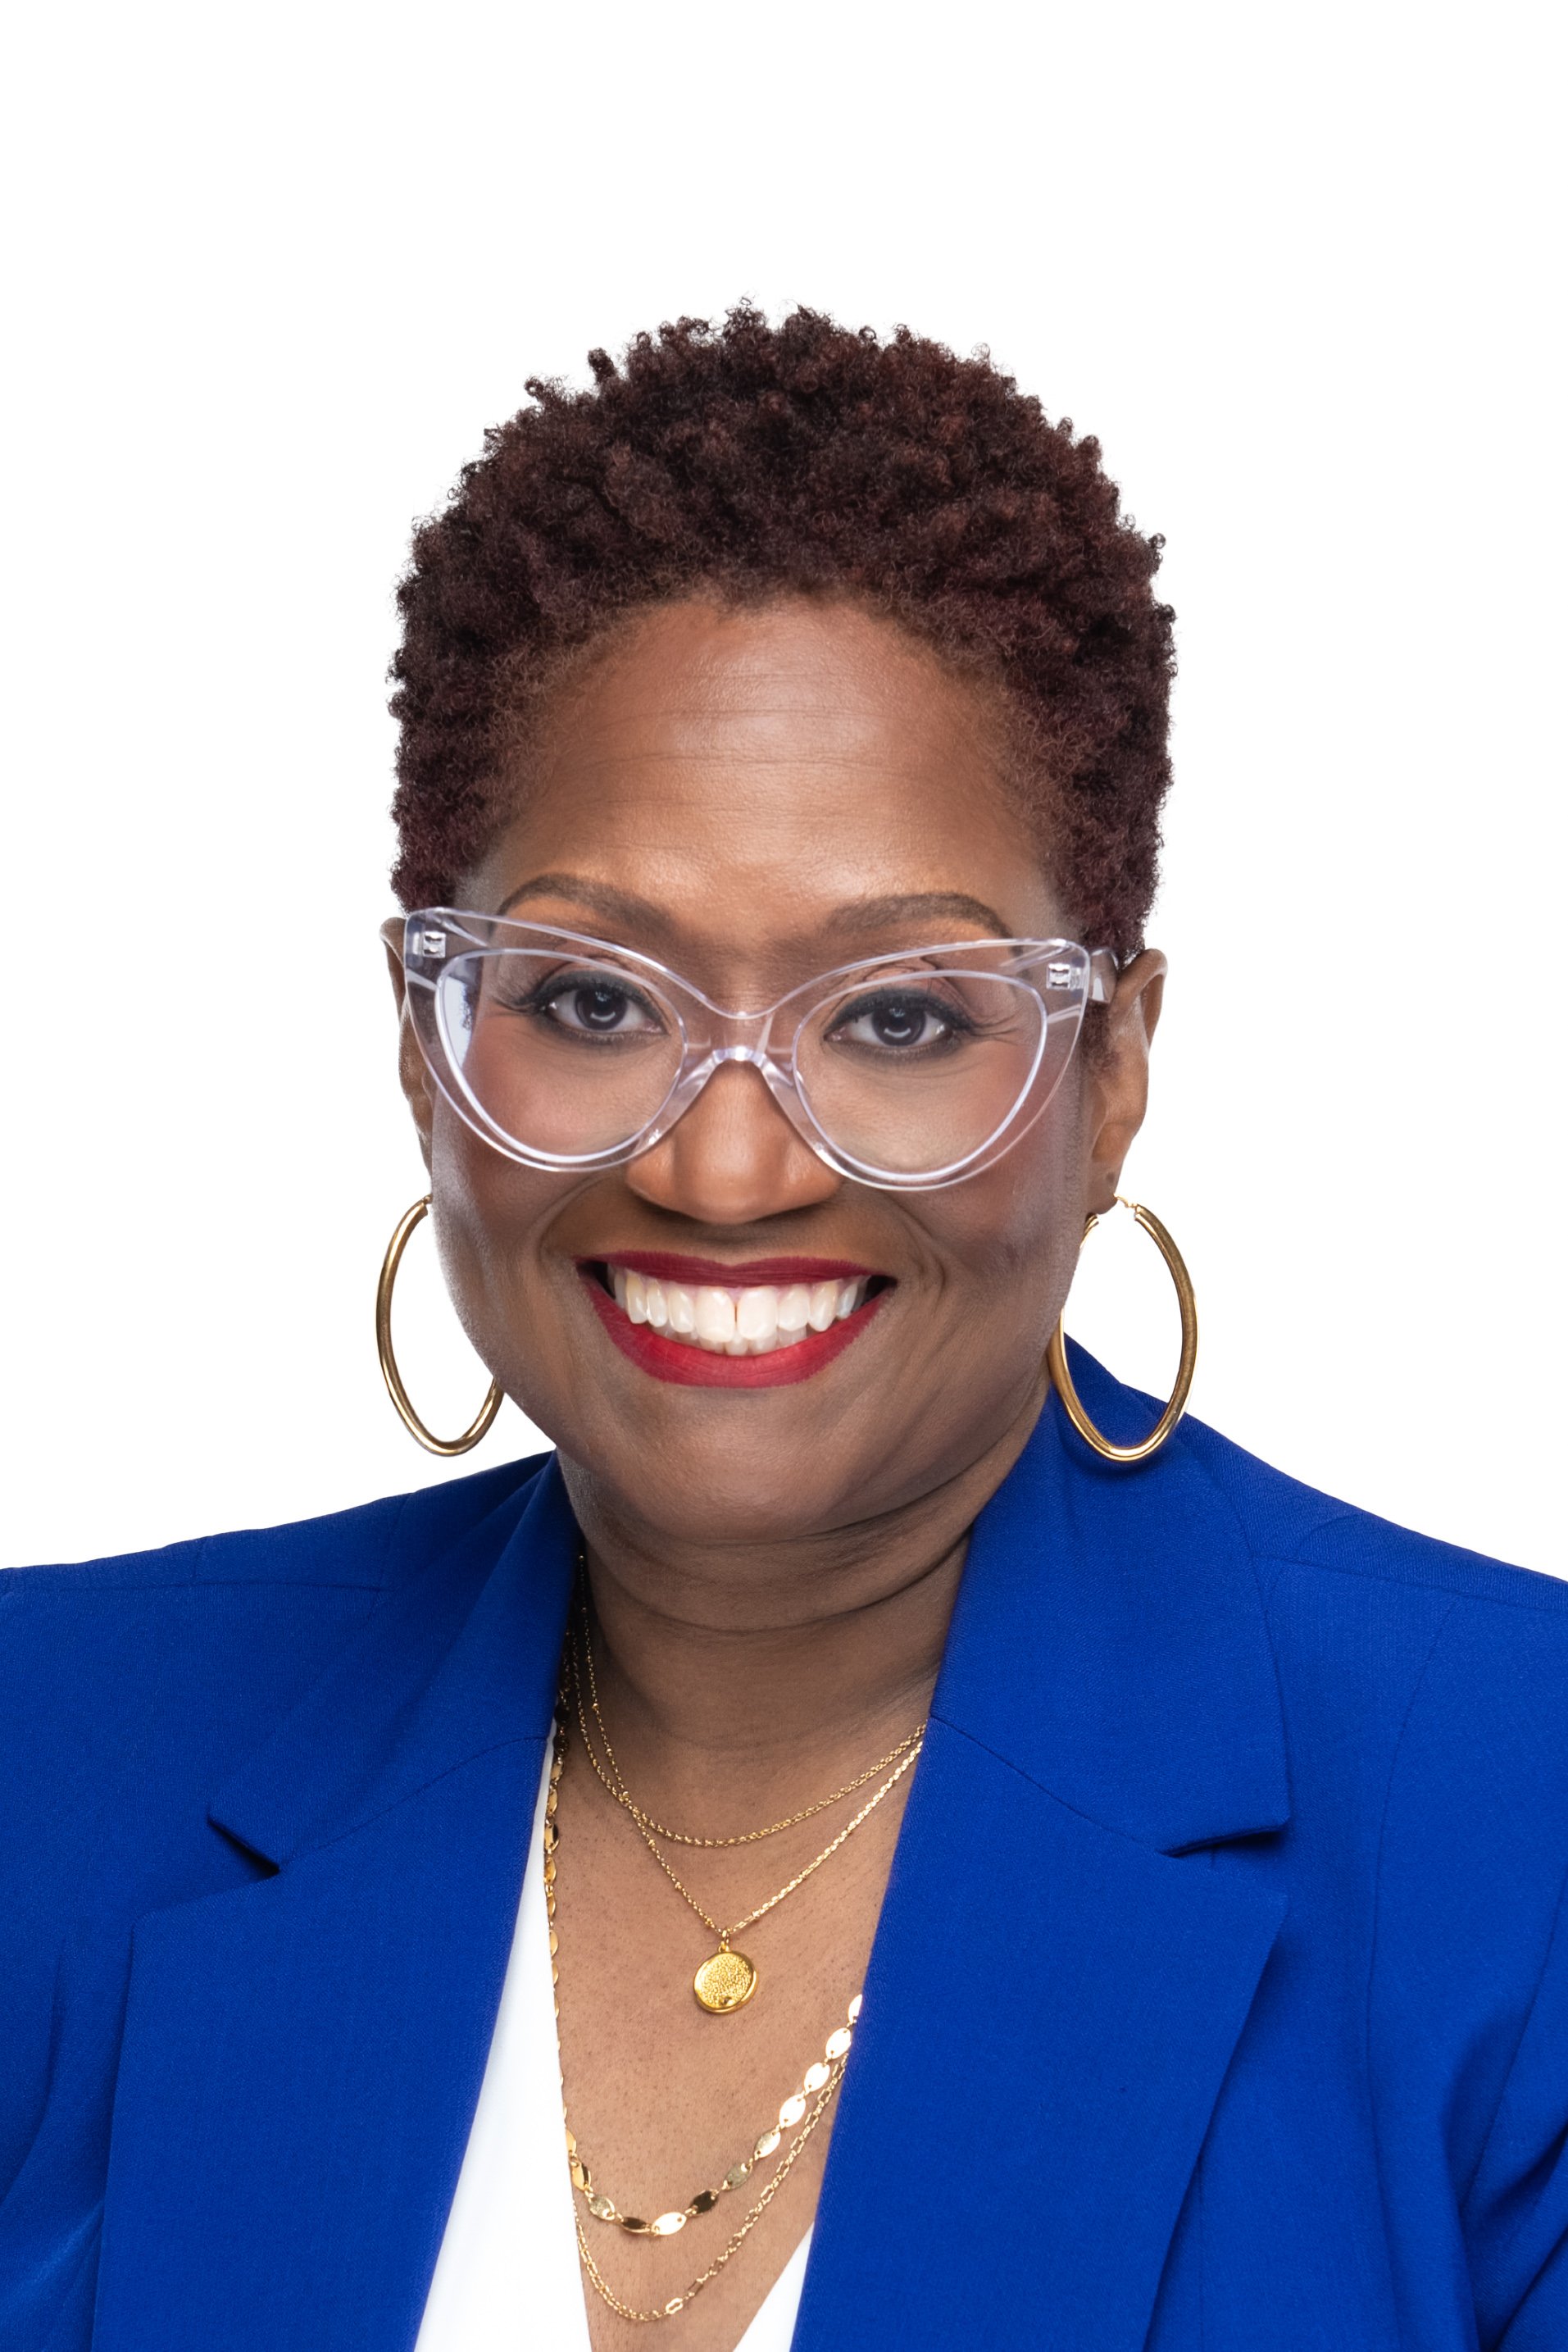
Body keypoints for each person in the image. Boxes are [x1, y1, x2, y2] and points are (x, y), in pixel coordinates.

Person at [3, 304, 1566, 2352]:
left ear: (1111, 1073)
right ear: (425, 1039)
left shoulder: (1518, 1833)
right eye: (591, 999)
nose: (726, 1171)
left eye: (900, 1017)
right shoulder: (45, 1751)